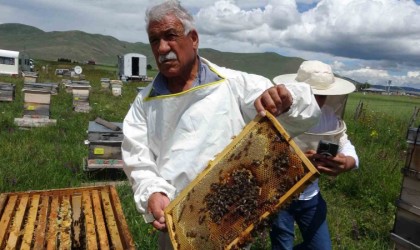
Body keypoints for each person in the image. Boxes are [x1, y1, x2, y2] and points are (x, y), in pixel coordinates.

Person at [121, 1, 321, 249]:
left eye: (170, 36)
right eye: (154, 40)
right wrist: (152, 192)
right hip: (177, 226)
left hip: (232, 222)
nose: (162, 48)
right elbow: (137, 159)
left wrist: (287, 98)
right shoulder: (143, 103)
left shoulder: (235, 84)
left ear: (193, 39)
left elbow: (306, 111)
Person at [270, 60, 359, 249]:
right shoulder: (279, 113)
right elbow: (262, 153)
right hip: (279, 196)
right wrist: (295, 162)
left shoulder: (329, 116)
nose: (318, 100)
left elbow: (344, 142)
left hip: (311, 197)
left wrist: (348, 162)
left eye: (323, 95)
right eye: (313, 94)